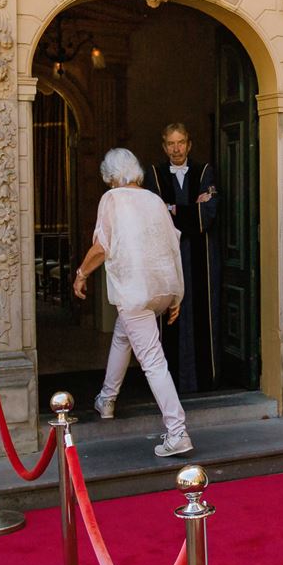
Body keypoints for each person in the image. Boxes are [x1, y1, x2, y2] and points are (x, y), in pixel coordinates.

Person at [71, 148, 193, 459]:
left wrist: (82, 273)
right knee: (123, 334)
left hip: (136, 291)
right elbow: (172, 244)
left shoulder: (112, 199)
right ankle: (107, 399)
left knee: (152, 361)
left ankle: (177, 431)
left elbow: (102, 247)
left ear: (111, 175)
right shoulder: (153, 199)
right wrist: (176, 293)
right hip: (161, 288)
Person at [146, 123, 219, 392]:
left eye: (181, 143)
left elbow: (208, 215)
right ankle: (170, 383)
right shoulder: (154, 173)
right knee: (169, 315)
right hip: (167, 255)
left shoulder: (204, 171)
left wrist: (173, 208)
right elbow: (155, 215)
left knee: (201, 311)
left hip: (200, 255)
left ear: (189, 144)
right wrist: (189, 209)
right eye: (171, 144)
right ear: (164, 147)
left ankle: (202, 379)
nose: (176, 149)